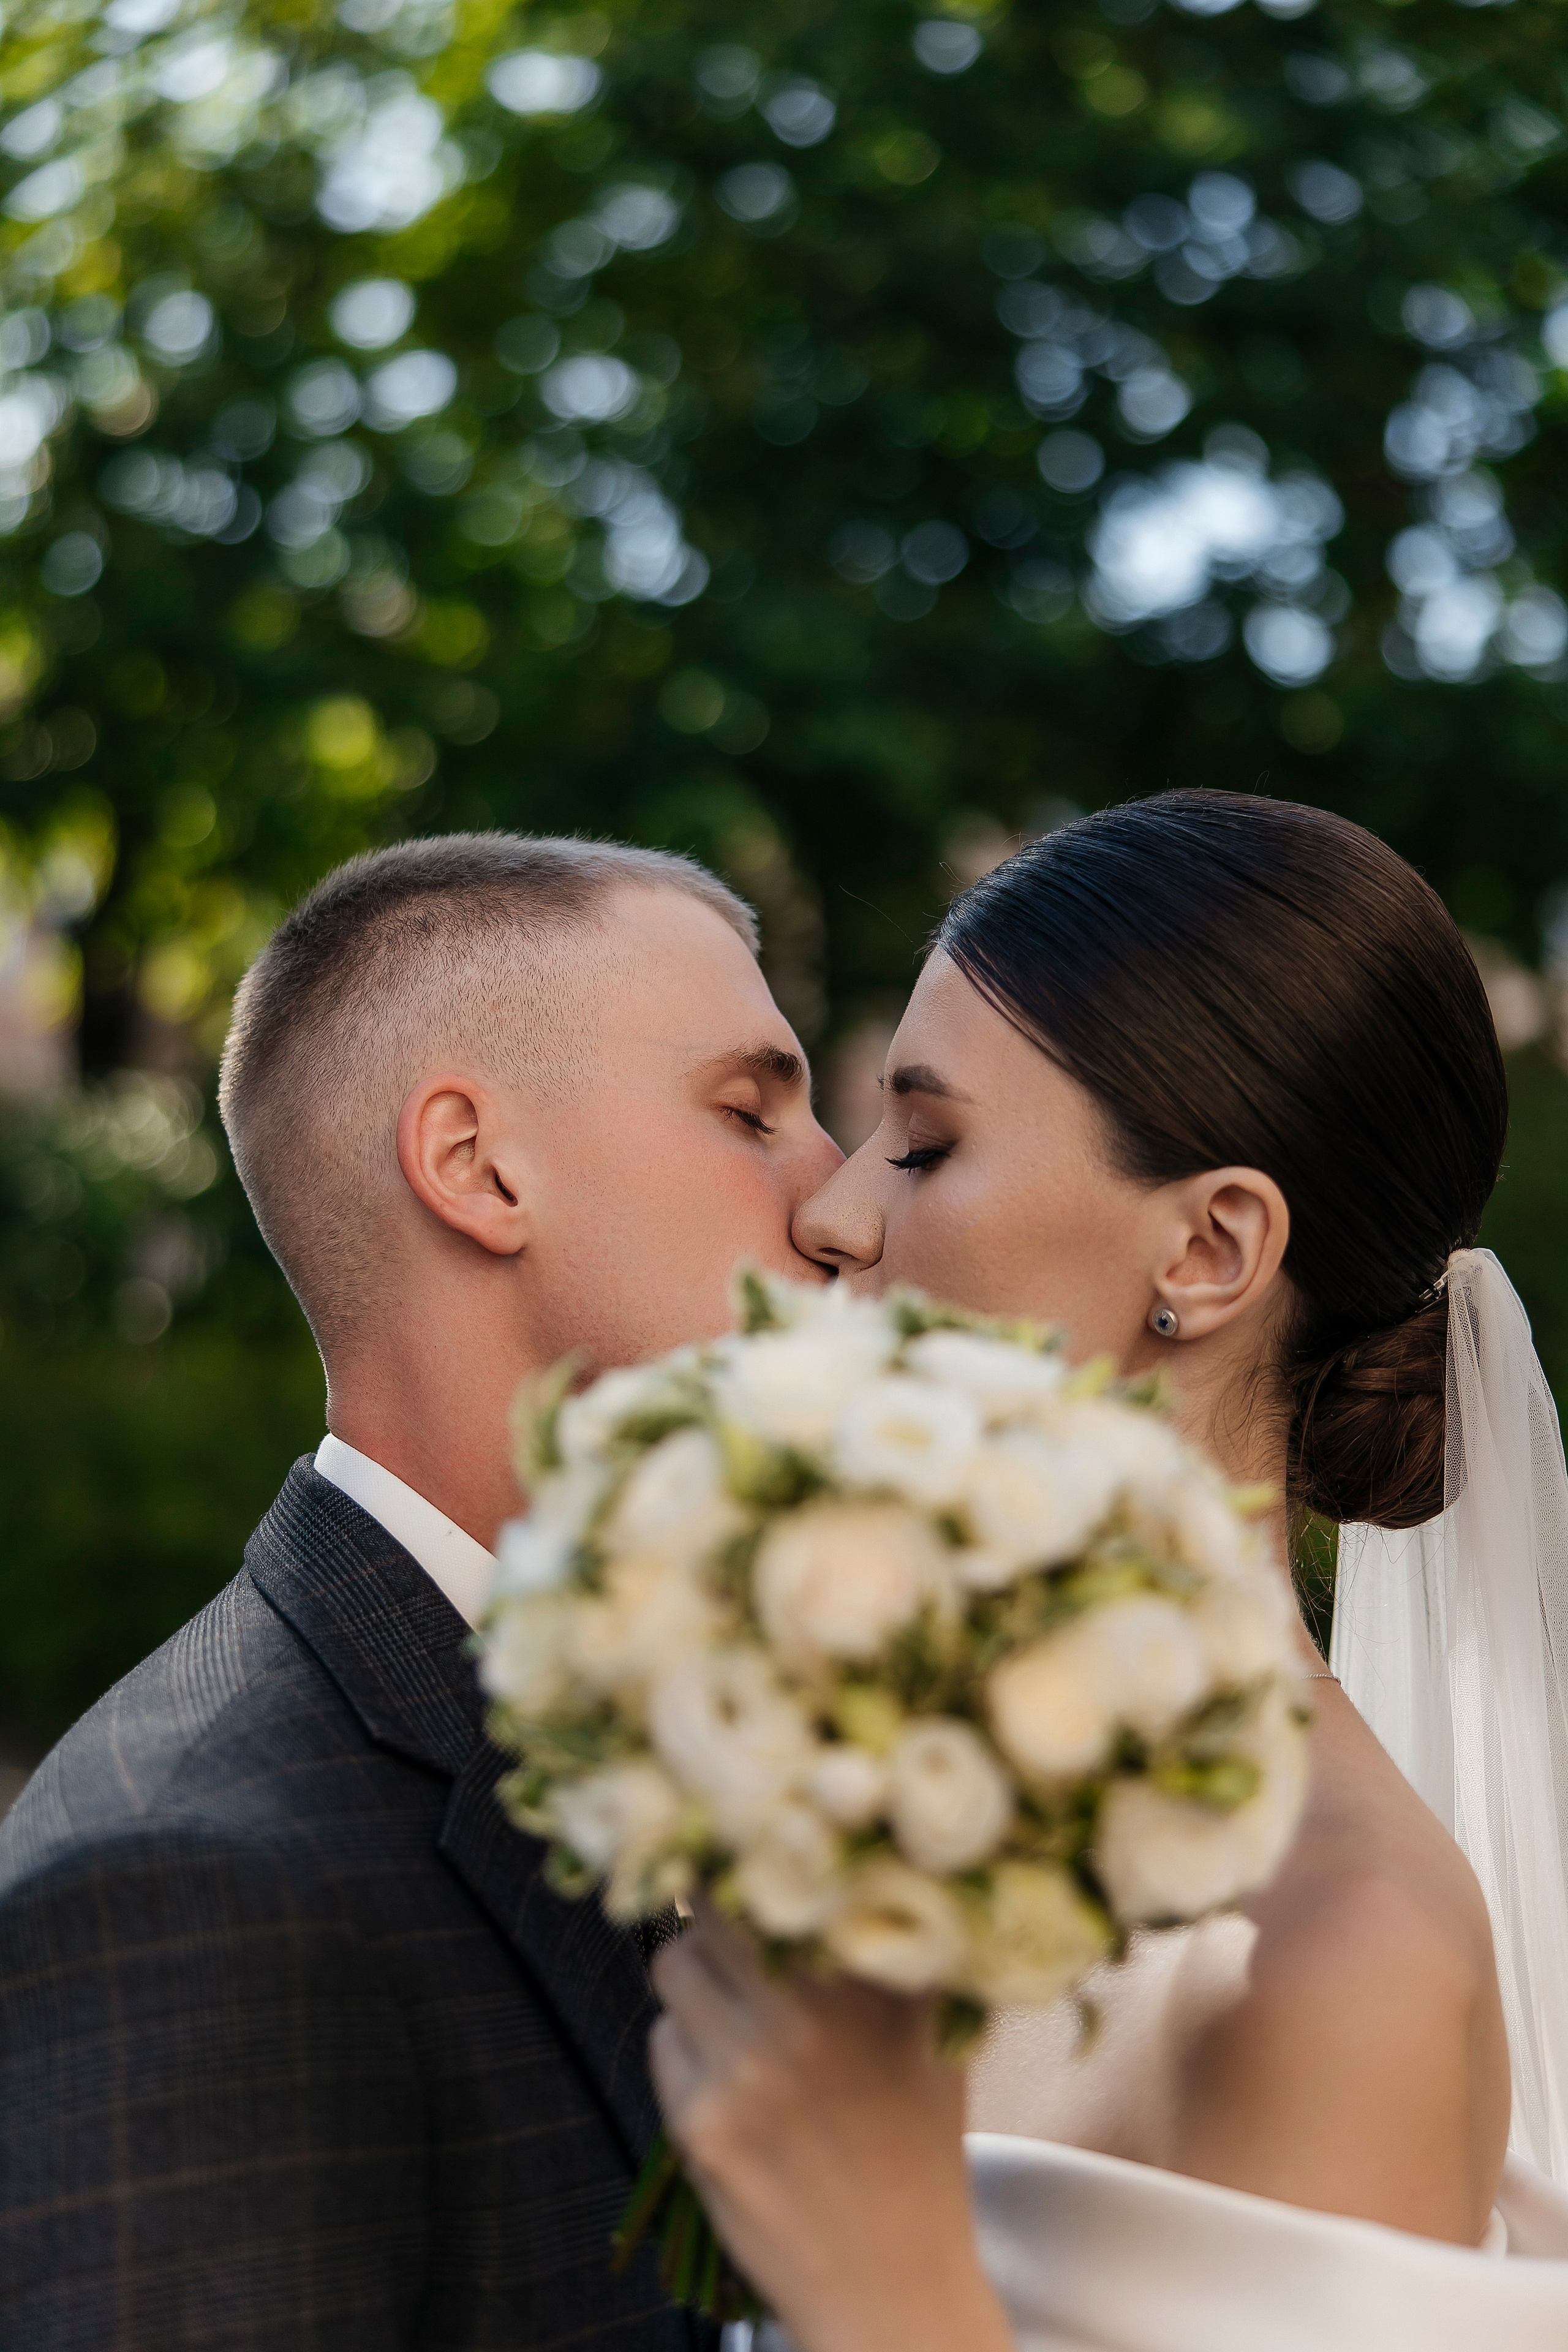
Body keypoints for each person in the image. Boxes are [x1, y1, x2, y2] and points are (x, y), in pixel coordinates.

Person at [649, 792, 1568, 2352]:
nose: (832, 1212)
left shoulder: (1339, 1952)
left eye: (925, 1146)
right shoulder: (856, 1771)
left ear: (1206, 1253)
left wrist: (882, 2288)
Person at [0, 832, 840, 2348]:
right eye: (748, 1111)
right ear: (475, 1165)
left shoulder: (681, 1740)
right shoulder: (192, 1891)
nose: (839, 1204)